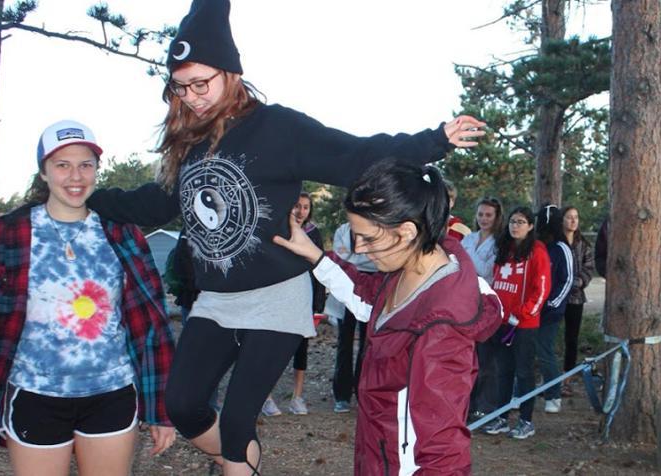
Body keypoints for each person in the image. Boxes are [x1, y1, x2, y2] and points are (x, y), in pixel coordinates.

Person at [82, 0, 486, 472]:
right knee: (183, 405)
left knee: (237, 423)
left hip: (276, 295)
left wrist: (433, 140)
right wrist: (88, 194)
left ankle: (237, 458)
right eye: (180, 87)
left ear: (230, 73)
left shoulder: (277, 129)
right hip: (215, 298)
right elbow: (153, 203)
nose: (191, 97)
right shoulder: (190, 144)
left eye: (201, 83)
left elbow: (354, 155)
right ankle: (238, 460)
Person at [0, 120, 177, 475]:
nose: (75, 176)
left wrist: (161, 408)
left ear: (98, 169)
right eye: (62, 165)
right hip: (35, 394)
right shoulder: (8, 234)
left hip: (112, 393)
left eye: (86, 164)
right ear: (44, 172)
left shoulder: (122, 234)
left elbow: (152, 326)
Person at [272, 161, 502, 474]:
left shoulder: (439, 328)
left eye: (368, 238)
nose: (360, 249)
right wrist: (315, 255)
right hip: (376, 454)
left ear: (407, 231)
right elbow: (370, 298)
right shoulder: (413, 265)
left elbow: (442, 450)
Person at [484, 207, 551, 439]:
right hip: (501, 321)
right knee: (503, 371)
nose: (516, 226)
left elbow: (541, 290)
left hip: (523, 325)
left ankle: (526, 420)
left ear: (531, 226)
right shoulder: (505, 248)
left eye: (521, 222)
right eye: (513, 221)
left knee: (523, 373)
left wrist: (522, 314)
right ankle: (502, 417)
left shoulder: (537, 251)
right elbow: (497, 282)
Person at [263, 192, 326, 416]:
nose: (301, 211)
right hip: (278, 299)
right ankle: (266, 397)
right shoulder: (277, 232)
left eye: (306, 207)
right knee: (273, 349)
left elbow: (319, 267)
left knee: (301, 349)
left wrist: (318, 303)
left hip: (304, 300)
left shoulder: (313, 233)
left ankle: (297, 397)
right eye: (297, 206)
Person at [326, 220, 376, 414]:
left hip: (371, 284)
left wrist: (355, 259)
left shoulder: (376, 226)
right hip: (347, 283)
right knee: (344, 341)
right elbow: (341, 257)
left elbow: (373, 258)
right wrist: (357, 259)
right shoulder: (343, 230)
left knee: (368, 342)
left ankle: (362, 392)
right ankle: (341, 394)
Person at [462, 197, 503, 420]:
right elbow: (456, 263)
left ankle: (484, 406)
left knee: (486, 358)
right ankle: (466, 404)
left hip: (487, 301)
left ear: (496, 218)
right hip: (466, 302)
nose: (483, 219)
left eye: (488, 215)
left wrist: (468, 262)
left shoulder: (499, 243)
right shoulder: (469, 238)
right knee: (468, 357)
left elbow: (488, 271)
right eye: (480, 215)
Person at [535, 205, 574, 414]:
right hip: (531, 310)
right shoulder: (536, 245)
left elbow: (567, 279)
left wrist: (552, 303)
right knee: (523, 351)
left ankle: (553, 394)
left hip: (551, 311)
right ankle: (518, 393)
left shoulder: (562, 248)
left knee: (545, 350)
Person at [561, 206, 596, 395]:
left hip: (575, 297)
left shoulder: (584, 244)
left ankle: (567, 379)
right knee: (547, 338)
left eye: (576, 217)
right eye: (569, 217)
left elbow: (589, 268)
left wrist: (578, 281)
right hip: (556, 298)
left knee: (572, 339)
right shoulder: (556, 243)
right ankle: (549, 377)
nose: (573, 221)